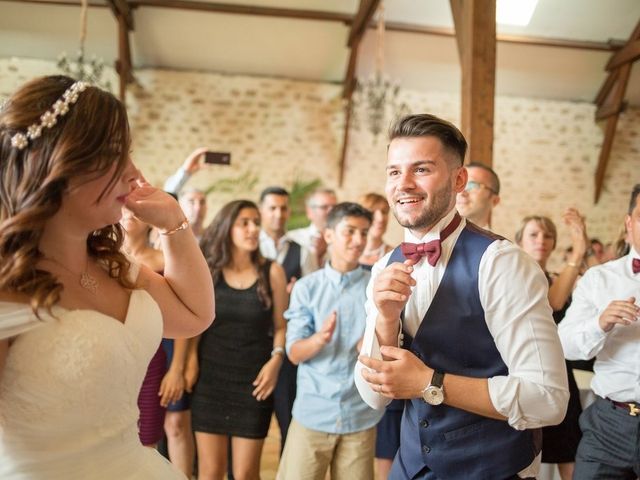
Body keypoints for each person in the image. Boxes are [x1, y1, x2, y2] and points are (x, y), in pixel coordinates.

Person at [0, 75, 214, 479]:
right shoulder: (7, 285)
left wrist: (174, 222)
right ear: (62, 163)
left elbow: (194, 315)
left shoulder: (114, 265)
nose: (134, 174)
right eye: (118, 156)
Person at [354, 113, 569, 480]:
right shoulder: (382, 268)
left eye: (421, 169)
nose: (403, 184)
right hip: (410, 468)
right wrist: (386, 319)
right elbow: (373, 396)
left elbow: (547, 399)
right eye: (394, 172)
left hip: (491, 469)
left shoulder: (502, 264)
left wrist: (429, 383)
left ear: (459, 180)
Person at [276, 202, 383, 480]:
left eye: (364, 232)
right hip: (313, 414)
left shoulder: (376, 286)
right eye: (350, 231)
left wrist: (374, 344)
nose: (358, 240)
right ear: (328, 235)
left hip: (360, 417)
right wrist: (320, 339)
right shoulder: (306, 288)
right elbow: (295, 353)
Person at [192, 200, 287, 480]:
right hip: (210, 381)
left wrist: (276, 360)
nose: (253, 229)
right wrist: (187, 365)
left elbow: (281, 326)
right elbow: (195, 325)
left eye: (256, 222)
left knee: (245, 474)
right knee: (210, 472)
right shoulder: (209, 271)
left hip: (254, 382)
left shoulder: (272, 272)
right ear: (227, 227)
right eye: (244, 223)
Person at [558, 184, 640, 479]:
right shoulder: (599, 279)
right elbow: (564, 345)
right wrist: (600, 324)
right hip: (609, 423)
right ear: (629, 224)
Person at [515, 210, 590, 480]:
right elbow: (553, 303)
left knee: (569, 448)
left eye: (548, 235)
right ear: (519, 241)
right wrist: (578, 250)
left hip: (560, 371)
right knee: (522, 457)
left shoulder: (560, 277)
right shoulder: (518, 275)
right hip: (527, 372)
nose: (541, 240)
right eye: (533, 234)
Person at [258, 186, 316, 454]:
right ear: (262, 210)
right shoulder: (249, 245)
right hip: (252, 341)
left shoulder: (301, 251)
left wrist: (296, 295)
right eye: (272, 208)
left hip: (289, 345)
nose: (278, 214)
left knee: (287, 420)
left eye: (283, 208)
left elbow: (313, 297)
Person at [288, 188, 337, 268]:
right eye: (324, 207)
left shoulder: (345, 240)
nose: (331, 211)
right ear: (309, 212)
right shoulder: (293, 239)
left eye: (335, 207)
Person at [455, 162, 500, 230]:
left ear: (494, 201)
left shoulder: (495, 240)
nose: (462, 192)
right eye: (459, 183)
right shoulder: (436, 237)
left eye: (472, 185)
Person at [358, 193, 393, 270]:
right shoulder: (348, 253)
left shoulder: (394, 255)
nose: (381, 219)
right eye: (372, 212)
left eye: (384, 212)